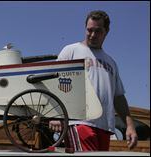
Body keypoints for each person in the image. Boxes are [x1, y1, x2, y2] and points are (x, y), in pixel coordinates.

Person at [50, 10, 138, 151]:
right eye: (89, 30)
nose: (92, 35)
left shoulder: (111, 62)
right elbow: (54, 82)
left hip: (105, 127)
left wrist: (129, 125)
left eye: (98, 31)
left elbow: (119, 97)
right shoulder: (71, 51)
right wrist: (55, 114)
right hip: (79, 122)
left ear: (107, 31)